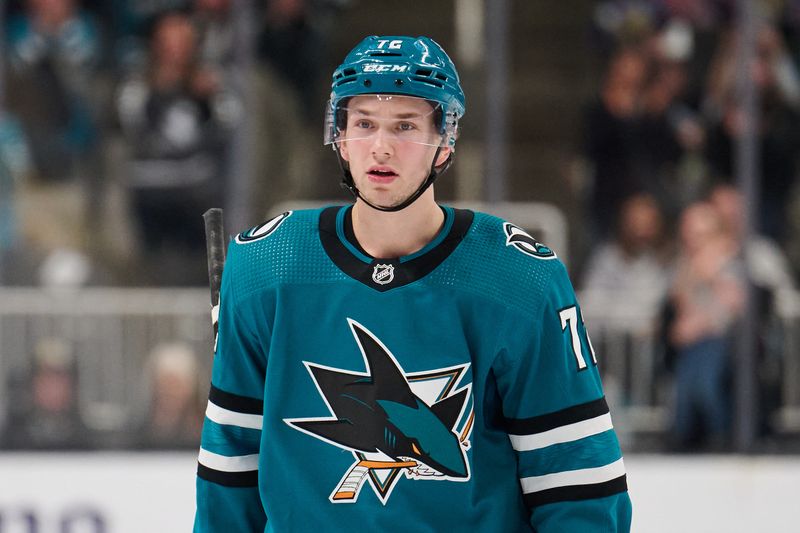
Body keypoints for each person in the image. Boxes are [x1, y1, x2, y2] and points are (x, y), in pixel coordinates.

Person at [194, 35, 632, 532]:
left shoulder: (520, 279)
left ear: (444, 142)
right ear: (338, 135)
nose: (380, 146)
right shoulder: (265, 266)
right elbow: (229, 472)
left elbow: (578, 483)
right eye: (363, 124)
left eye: (405, 126)